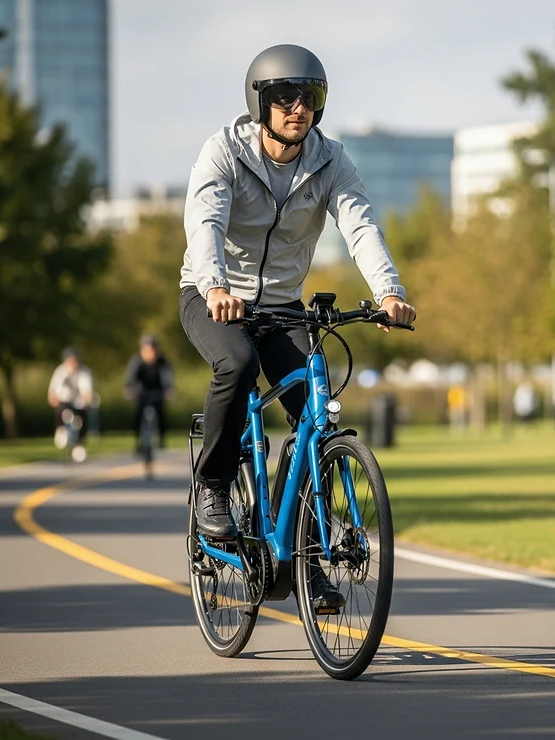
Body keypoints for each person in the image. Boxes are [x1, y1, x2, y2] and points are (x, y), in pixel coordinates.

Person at [179, 45, 416, 609]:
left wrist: (389, 291)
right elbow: (204, 220)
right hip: (212, 297)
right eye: (283, 98)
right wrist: (215, 287)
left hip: (284, 306)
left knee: (317, 412)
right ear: (259, 104)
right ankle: (213, 488)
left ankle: (305, 562)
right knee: (236, 363)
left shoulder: (331, 160)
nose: (296, 109)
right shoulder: (223, 153)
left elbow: (360, 224)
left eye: (307, 98)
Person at [123, 334, 174, 452]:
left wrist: (168, 390)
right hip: (141, 392)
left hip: (157, 392)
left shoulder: (162, 362)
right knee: (138, 414)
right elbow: (131, 377)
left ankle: (162, 439)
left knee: (161, 414)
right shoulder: (136, 361)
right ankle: (138, 441)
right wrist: (129, 389)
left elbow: (167, 377)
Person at [47, 347, 93, 459]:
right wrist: (53, 399)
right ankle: (61, 429)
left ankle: (79, 443)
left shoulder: (84, 372)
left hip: (78, 402)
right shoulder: (60, 372)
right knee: (62, 411)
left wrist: (86, 400)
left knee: (81, 420)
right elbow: (52, 390)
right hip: (64, 400)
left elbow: (87, 391)